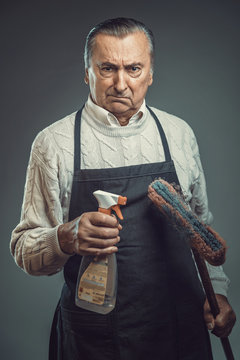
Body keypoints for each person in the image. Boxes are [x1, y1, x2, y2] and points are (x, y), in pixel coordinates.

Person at [10, 17, 236, 360]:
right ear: (87, 72)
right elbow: (24, 248)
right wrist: (67, 237)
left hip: (180, 327)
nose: (120, 83)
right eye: (106, 68)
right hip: (95, 336)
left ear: (150, 73)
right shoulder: (53, 144)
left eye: (133, 68)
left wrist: (216, 292)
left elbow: (199, 229)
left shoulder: (178, 134)